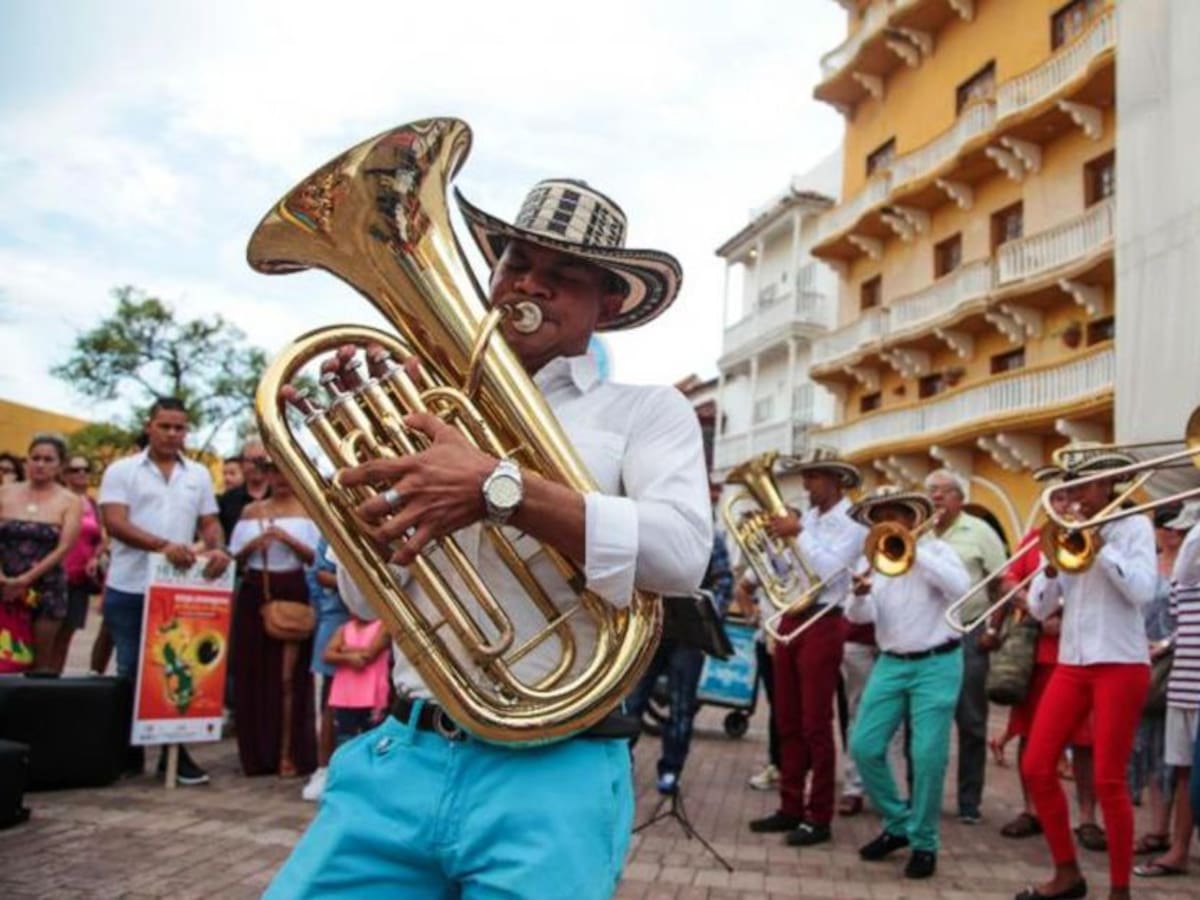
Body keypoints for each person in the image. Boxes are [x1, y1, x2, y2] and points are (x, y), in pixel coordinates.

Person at [267, 175, 710, 899]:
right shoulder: (422, 403)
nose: (527, 284)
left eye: (561, 276)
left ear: (607, 303)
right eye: (514, 263)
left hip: (554, 772)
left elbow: (683, 556)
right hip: (400, 753)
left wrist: (496, 489)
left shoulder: (646, 413)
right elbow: (365, 599)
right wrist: (358, 473)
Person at [1020, 451, 1157, 900]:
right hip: (1073, 662)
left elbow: (1141, 591)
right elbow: (1039, 609)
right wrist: (1053, 565)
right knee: (1037, 765)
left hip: (1121, 661)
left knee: (1108, 780)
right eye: (1071, 486)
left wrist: (1100, 547)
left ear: (1107, 486)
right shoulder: (1066, 530)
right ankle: (1067, 872)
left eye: (1082, 486)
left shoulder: (1134, 525)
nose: (1073, 494)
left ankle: (1120, 889)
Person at [98, 397, 231, 785]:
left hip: (179, 588)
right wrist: (162, 546)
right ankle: (127, 751)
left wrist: (216, 546)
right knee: (130, 669)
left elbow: (210, 523)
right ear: (149, 425)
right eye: (165, 426)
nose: (173, 434)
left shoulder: (199, 475)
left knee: (177, 668)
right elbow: (115, 522)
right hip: (131, 584)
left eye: (180, 428)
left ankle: (175, 754)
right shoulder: (123, 470)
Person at [843, 487, 969, 880]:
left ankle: (924, 842)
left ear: (913, 518)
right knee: (864, 747)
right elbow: (859, 616)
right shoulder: (877, 557)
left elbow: (961, 589)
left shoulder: (938, 550)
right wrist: (860, 595)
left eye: (895, 515)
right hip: (891, 662)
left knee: (929, 757)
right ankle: (899, 824)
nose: (888, 523)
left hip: (938, 661)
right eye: (881, 517)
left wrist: (916, 552)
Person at [748, 450, 865, 849]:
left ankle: (819, 817)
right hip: (792, 616)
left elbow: (830, 571)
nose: (805, 485)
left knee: (817, 723)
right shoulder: (809, 519)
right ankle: (790, 806)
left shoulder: (852, 523)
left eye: (813, 477)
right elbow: (787, 572)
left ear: (835, 480)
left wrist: (796, 534)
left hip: (825, 619)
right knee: (787, 720)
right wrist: (768, 548)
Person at [994, 467, 1101, 848]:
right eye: (1057, 498)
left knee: (1086, 742)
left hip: (1082, 652)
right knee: (1029, 734)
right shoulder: (1035, 539)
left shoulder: (1097, 534)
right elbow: (1009, 581)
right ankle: (1032, 810)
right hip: (1038, 655)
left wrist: (1065, 616)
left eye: (1070, 496)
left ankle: (1088, 817)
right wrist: (1036, 610)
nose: (1064, 504)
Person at [228, 455, 319, 778]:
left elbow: (316, 559)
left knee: (289, 679)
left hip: (294, 590)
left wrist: (288, 540)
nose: (279, 478)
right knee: (252, 671)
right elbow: (233, 557)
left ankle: (289, 752)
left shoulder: (309, 510)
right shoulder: (252, 511)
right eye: (273, 472)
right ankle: (257, 753)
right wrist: (255, 543)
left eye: (285, 471)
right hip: (256, 591)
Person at [925, 467, 1006, 824]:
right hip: (926, 634)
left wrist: (993, 627)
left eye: (943, 491)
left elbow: (1001, 584)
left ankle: (969, 802)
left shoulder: (981, 532)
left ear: (960, 498)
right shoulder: (920, 532)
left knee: (971, 720)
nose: (936, 497)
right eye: (931, 491)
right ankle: (923, 795)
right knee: (925, 721)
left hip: (968, 632)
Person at [626, 521, 732, 795]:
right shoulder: (655, 526)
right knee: (632, 701)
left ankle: (671, 769)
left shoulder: (711, 535)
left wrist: (707, 616)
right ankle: (621, 763)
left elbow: (724, 581)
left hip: (688, 636)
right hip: (651, 632)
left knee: (682, 707)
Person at [1135, 500, 1200, 878]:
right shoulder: (1185, 576)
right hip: (1182, 685)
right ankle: (1178, 849)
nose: (1182, 535)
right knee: (1182, 772)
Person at [0, 434, 82, 672]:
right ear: (26, 461)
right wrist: (3, 577)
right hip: (3, 583)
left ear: (60, 465)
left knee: (39, 662)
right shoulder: (5, 493)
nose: (40, 464)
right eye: (35, 458)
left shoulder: (70, 501)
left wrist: (25, 580)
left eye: (48, 459)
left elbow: (64, 547)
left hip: (46, 588)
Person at [301, 536, 350, 802]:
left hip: (376, 621)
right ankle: (323, 768)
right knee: (328, 701)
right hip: (337, 617)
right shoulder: (327, 534)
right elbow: (319, 573)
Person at [55, 454, 107, 673]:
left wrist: (96, 556)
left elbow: (103, 538)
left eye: (86, 469)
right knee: (47, 632)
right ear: (64, 474)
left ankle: (52, 681)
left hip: (79, 578)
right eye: (75, 470)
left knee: (67, 632)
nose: (81, 474)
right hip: (53, 575)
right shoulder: (56, 499)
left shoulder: (93, 504)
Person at [323, 611, 391, 746]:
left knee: (373, 741)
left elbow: (369, 655)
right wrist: (349, 657)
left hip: (372, 696)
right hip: (345, 697)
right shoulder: (344, 628)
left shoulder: (383, 626)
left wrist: (343, 649)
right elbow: (327, 655)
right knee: (344, 740)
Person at [217, 440, 271, 543]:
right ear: (242, 464)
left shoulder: (282, 496)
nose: (257, 465)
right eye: (252, 461)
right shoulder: (227, 501)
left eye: (261, 460)